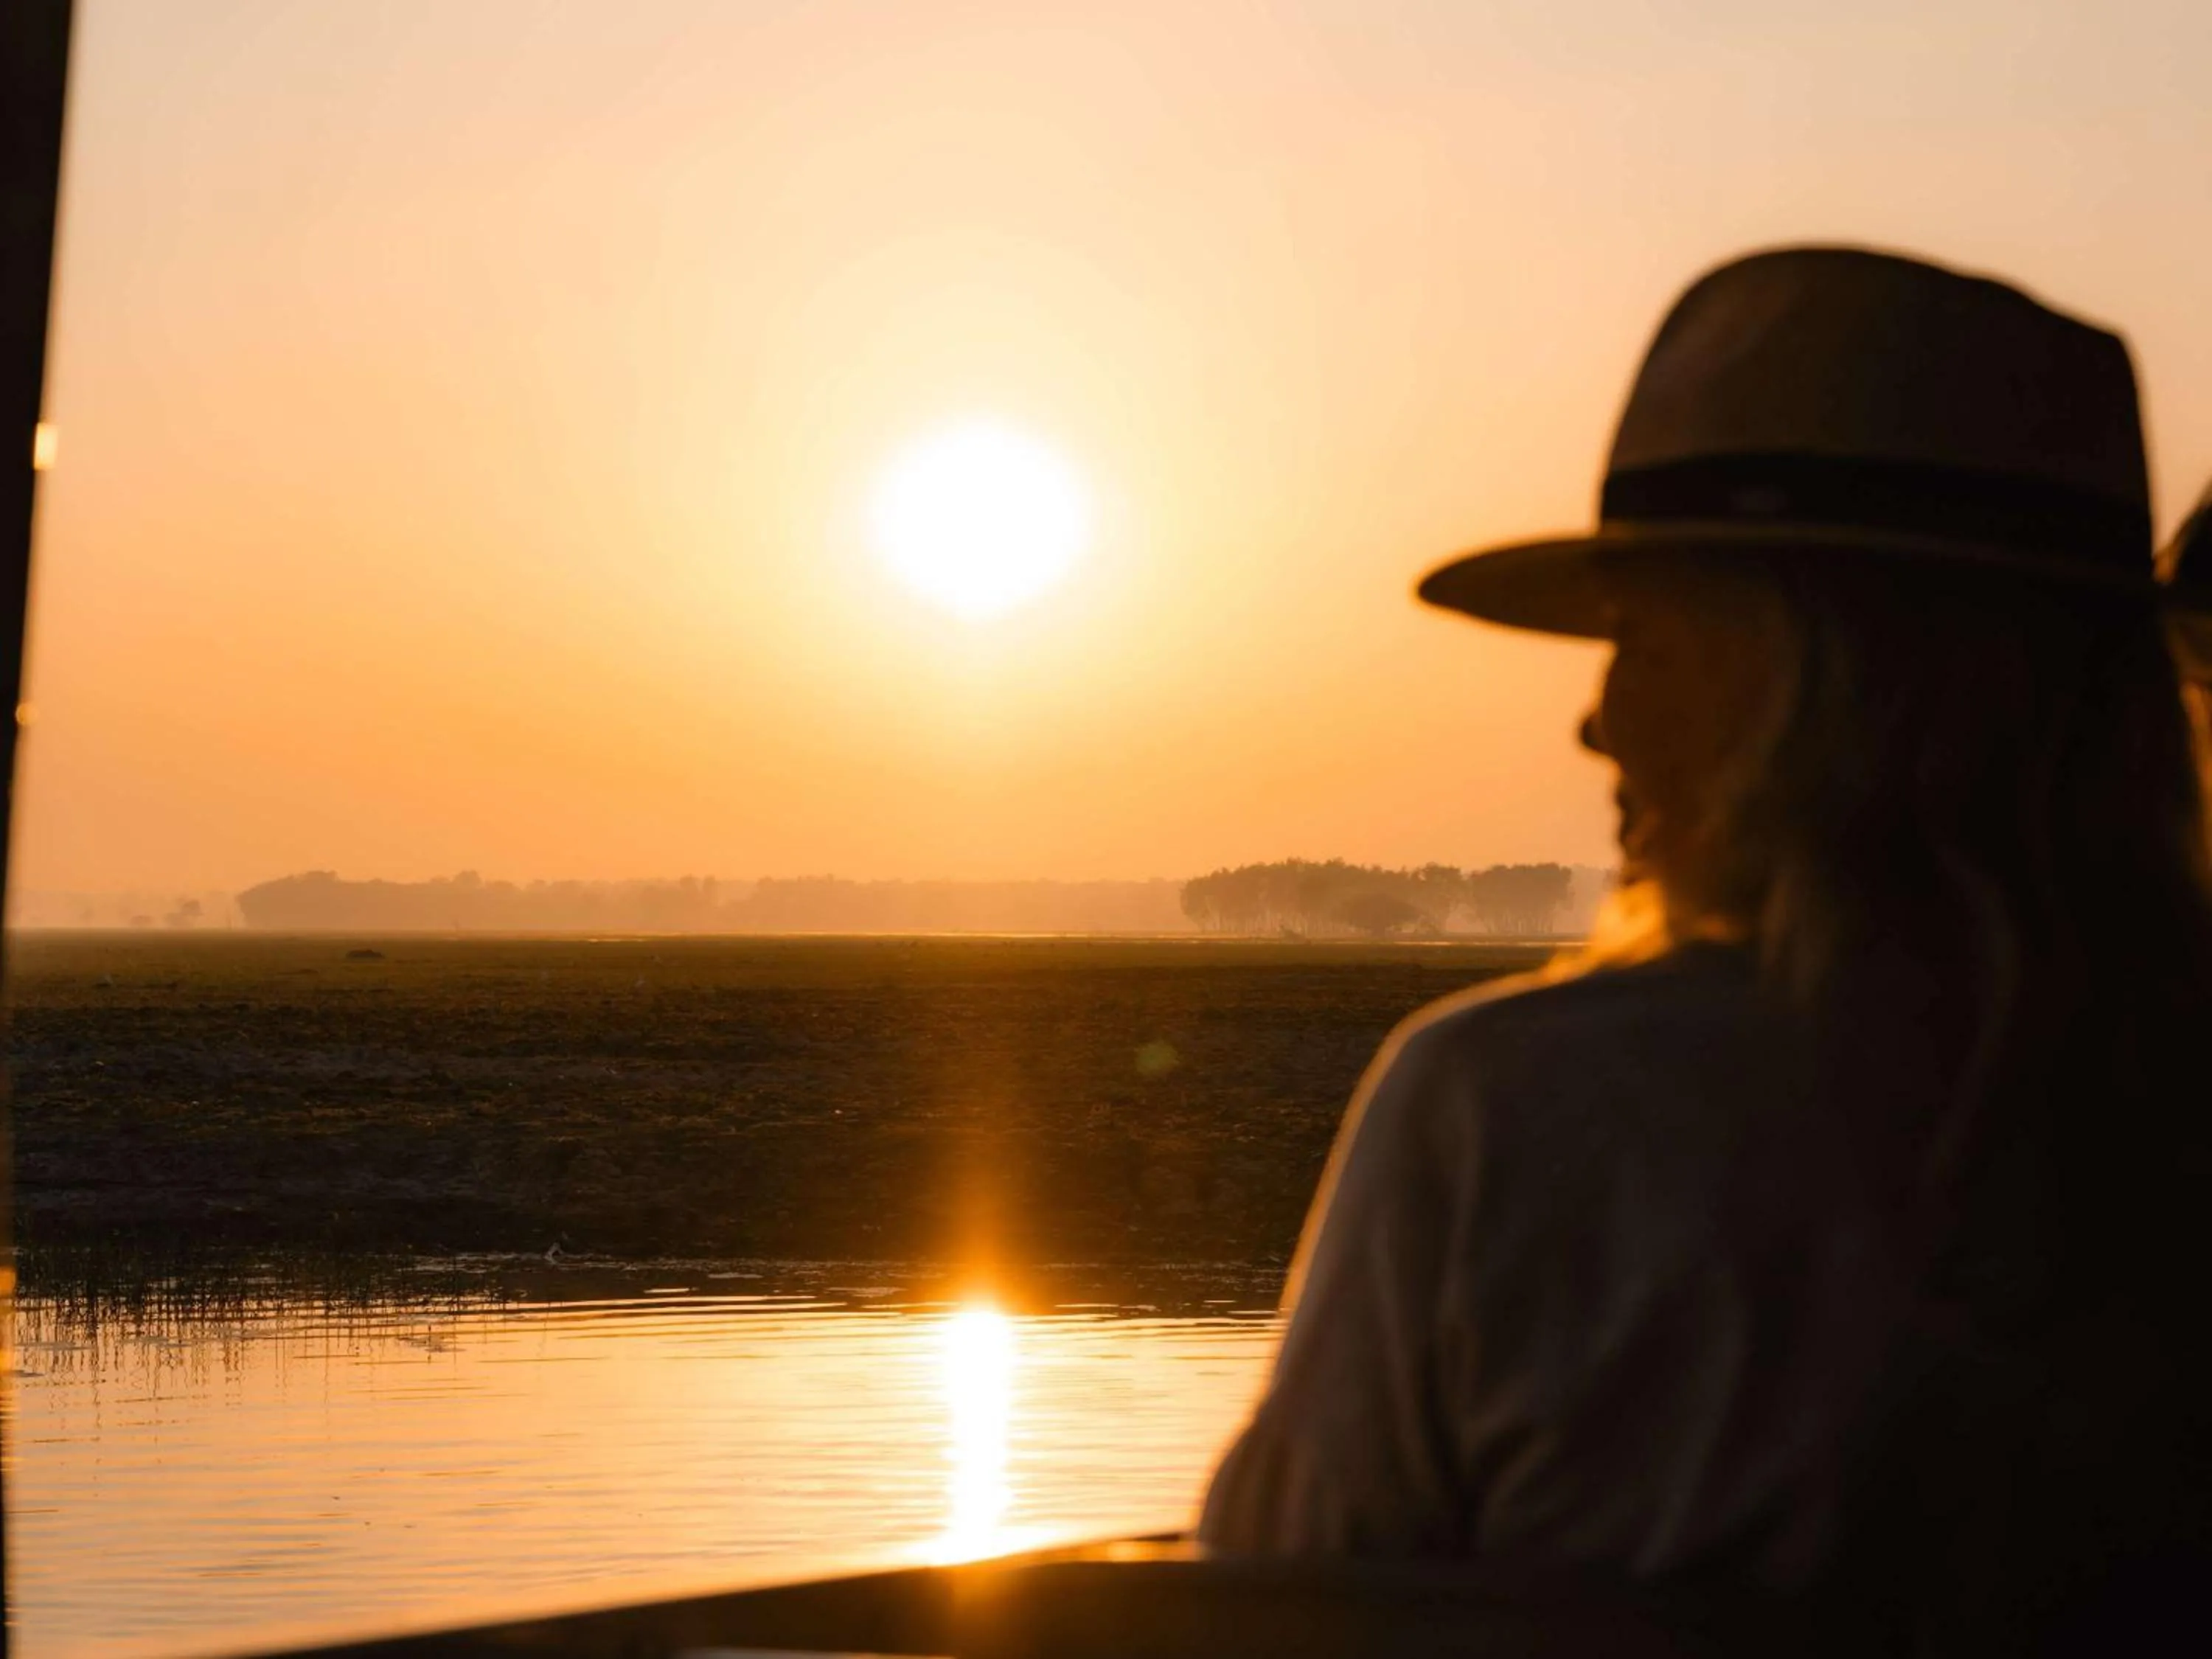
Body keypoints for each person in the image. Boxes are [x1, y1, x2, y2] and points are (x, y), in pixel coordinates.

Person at [1197, 247, 2212, 1651]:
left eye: (1645, 643)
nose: (1597, 724)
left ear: (1805, 678)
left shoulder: (1511, 1111)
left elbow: (1270, 1612)